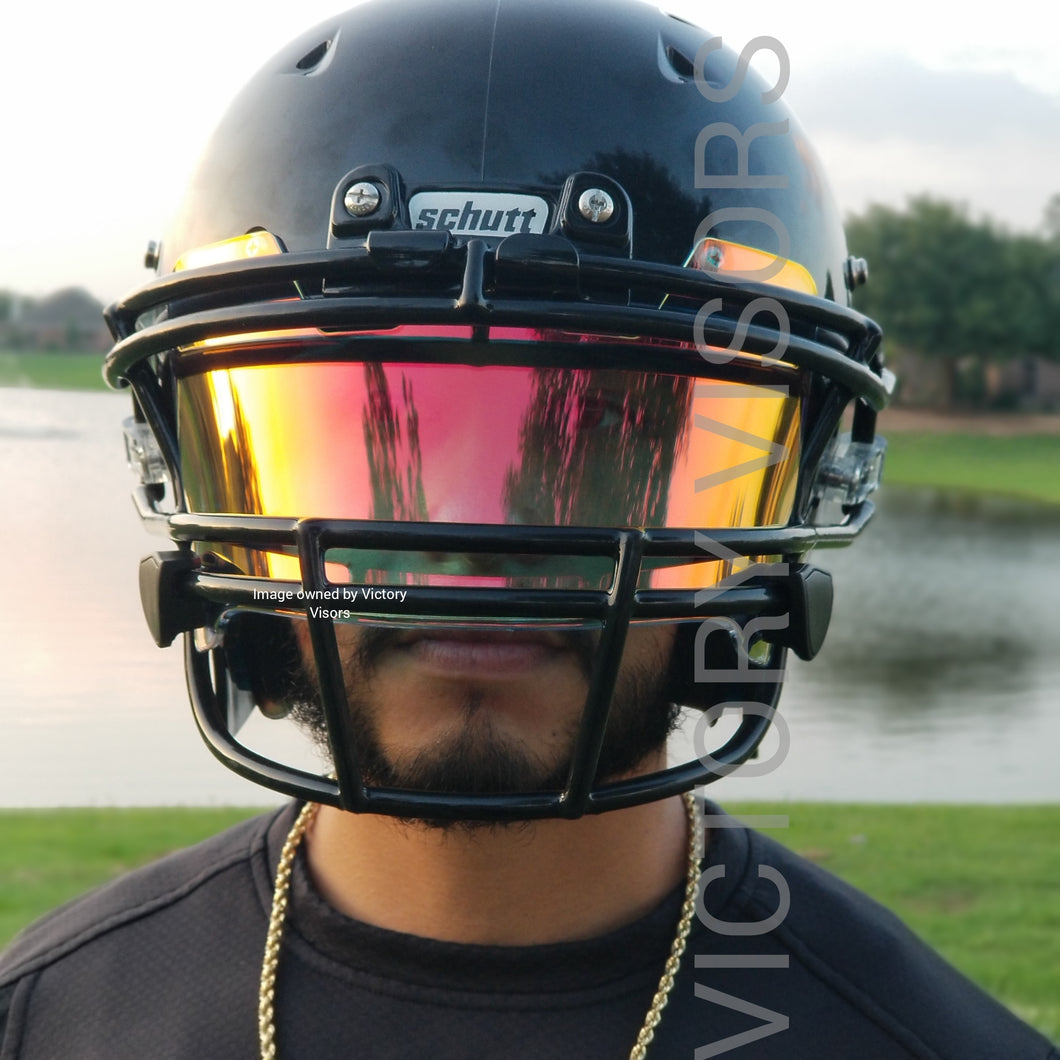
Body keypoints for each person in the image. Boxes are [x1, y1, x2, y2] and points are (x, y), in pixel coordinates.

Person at [0, 1, 1055, 1056]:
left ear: (793, 485)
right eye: (365, 439)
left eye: (602, 442)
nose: (472, 543)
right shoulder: (41, 1023)